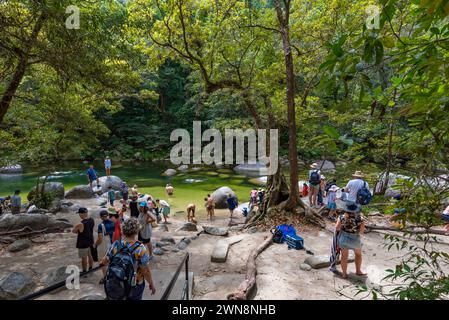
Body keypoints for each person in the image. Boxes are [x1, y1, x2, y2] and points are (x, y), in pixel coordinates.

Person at [100, 218, 156, 300]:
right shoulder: (140, 248)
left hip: (117, 280)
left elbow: (104, 261)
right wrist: (151, 283)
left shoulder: (116, 244)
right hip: (135, 284)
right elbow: (145, 270)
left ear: (123, 230)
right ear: (137, 231)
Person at [335, 202, 366, 279]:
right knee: (358, 255)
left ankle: (344, 274)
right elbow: (362, 231)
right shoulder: (360, 218)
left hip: (344, 238)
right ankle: (358, 271)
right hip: (355, 238)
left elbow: (337, 228)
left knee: (344, 257)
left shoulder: (341, 217)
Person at [94, 209, 115, 283]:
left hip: (104, 246)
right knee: (111, 261)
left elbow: (100, 238)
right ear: (108, 215)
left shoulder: (101, 225)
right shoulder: (113, 223)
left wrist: (95, 245)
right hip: (112, 244)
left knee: (102, 261)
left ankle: (105, 277)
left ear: (101, 217)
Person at [72, 207, 95, 273]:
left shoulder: (80, 224)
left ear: (82, 214)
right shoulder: (91, 220)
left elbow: (74, 231)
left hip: (83, 243)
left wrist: (76, 228)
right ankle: (90, 268)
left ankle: (84, 270)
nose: (79, 215)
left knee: (84, 258)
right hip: (90, 240)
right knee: (90, 255)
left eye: (79, 213)